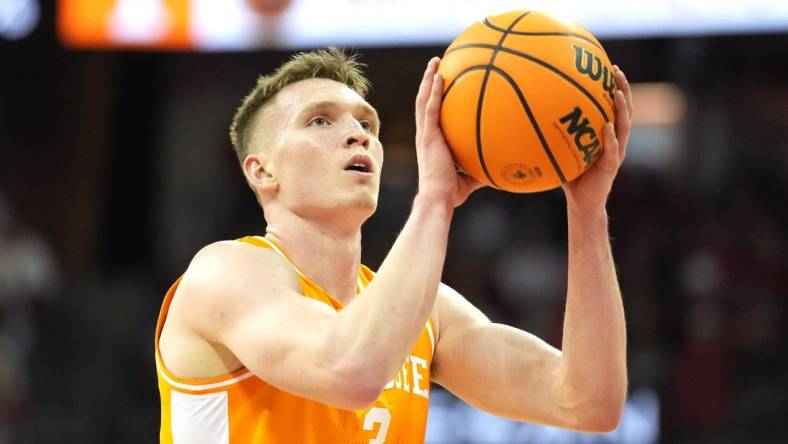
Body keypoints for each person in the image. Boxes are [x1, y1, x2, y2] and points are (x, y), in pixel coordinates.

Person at [155, 47, 632, 443]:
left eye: (368, 124)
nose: (356, 134)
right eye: (320, 121)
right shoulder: (226, 272)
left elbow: (588, 403)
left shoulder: (425, 314)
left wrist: (587, 214)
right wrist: (436, 200)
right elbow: (350, 369)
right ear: (262, 171)